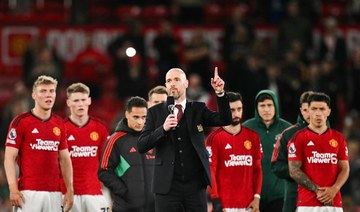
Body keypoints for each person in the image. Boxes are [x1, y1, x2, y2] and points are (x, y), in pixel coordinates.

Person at [137, 67, 231, 212]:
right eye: (168, 81)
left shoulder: (198, 109)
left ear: (186, 83)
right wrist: (162, 129)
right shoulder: (154, 112)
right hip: (167, 188)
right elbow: (142, 145)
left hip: (195, 186)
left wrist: (220, 93)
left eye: (176, 79)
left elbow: (224, 119)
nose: (172, 83)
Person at [4, 75, 73, 211]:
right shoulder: (21, 122)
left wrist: (70, 189)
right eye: (43, 91)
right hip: (28, 193)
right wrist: (13, 188)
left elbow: (65, 159)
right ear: (34, 95)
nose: (48, 95)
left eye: (51, 91)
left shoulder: (59, 124)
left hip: (55, 193)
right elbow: (9, 157)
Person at [288, 92, 350, 211]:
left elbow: (345, 168)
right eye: (314, 109)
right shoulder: (298, 138)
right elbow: (294, 170)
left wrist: (334, 189)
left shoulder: (338, 138)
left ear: (328, 112)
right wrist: (317, 190)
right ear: (309, 111)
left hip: (333, 202)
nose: (318, 113)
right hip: (307, 204)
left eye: (322, 109)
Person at [206, 91, 263, 212]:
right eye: (232, 110)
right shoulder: (214, 138)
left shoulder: (253, 136)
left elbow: (257, 169)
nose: (237, 114)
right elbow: (210, 172)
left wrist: (257, 197)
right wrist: (216, 201)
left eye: (239, 109)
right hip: (224, 206)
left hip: (249, 206)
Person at [98, 96, 155, 212]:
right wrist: (124, 191)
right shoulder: (115, 140)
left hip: (153, 207)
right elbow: (104, 171)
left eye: (144, 117)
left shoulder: (152, 139)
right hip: (126, 208)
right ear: (127, 114)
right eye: (136, 117)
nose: (140, 122)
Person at [63, 82, 110, 211]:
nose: (80, 104)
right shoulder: (60, 129)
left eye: (83, 100)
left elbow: (108, 161)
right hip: (67, 193)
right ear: (68, 103)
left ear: (89, 101)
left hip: (94, 192)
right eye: (76, 100)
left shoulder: (100, 129)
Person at [243, 89, 292, 211]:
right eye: (262, 106)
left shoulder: (288, 130)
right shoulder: (246, 128)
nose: (266, 109)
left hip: (280, 194)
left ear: (276, 106)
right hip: (253, 196)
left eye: (269, 105)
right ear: (256, 108)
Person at [271, 91, 313, 212]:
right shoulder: (288, 134)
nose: (309, 114)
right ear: (300, 110)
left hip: (322, 197)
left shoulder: (332, 137)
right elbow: (276, 165)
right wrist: (297, 171)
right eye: (305, 110)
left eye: (312, 109)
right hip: (294, 197)